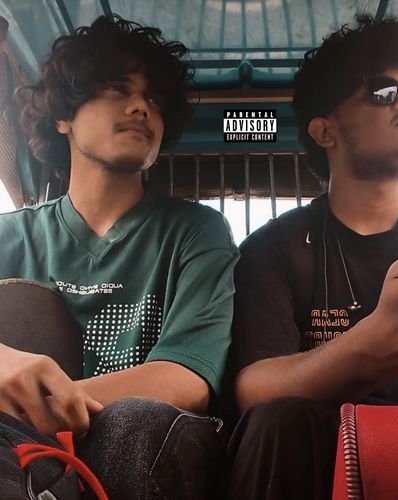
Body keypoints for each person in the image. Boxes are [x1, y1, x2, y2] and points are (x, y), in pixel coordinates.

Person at [226, 15, 398, 500]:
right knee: (276, 420)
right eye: (382, 90)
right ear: (325, 131)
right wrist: (381, 341)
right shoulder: (274, 248)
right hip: (319, 456)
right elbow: (256, 391)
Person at [0, 15, 238, 499]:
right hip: (21, 455)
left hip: (145, 447)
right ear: (63, 116)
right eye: (116, 88)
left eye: (155, 99)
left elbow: (186, 378)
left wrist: (38, 406)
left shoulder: (197, 231)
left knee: (138, 421)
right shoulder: (9, 237)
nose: (140, 107)